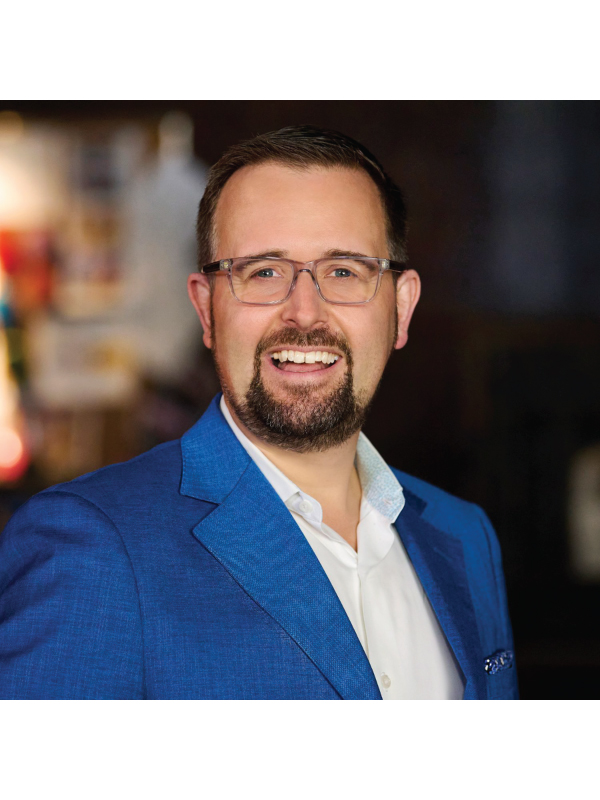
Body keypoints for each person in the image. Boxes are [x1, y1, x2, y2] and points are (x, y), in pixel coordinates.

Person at [0, 126, 517, 699]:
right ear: (205, 308)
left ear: (401, 307)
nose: (304, 313)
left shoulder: (464, 537)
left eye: (344, 271)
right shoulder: (90, 549)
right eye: (263, 272)